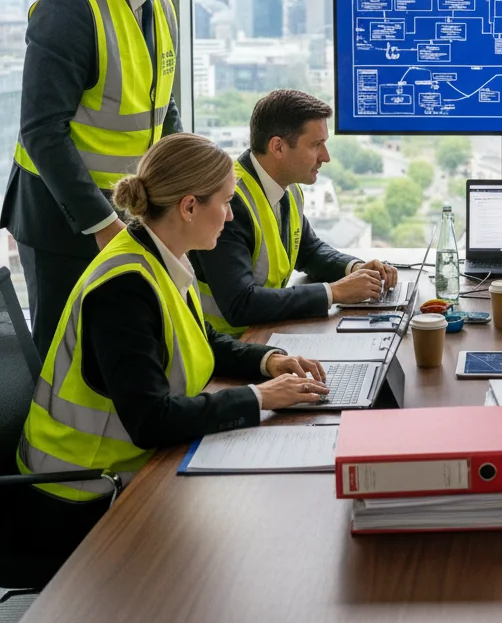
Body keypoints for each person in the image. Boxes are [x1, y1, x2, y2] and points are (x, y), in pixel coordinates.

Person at [15, 132, 329, 566]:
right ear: (188, 206)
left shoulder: (162, 254)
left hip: (132, 470)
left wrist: (267, 361)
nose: (230, 214)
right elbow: (151, 421)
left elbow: (200, 339)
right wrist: (260, 398)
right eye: (226, 201)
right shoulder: (123, 288)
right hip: (83, 497)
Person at [1, 0, 223, 355]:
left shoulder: (161, 6)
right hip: (63, 219)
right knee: (64, 356)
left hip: (127, 209)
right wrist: (101, 223)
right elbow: (42, 130)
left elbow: (161, 110)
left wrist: (196, 180)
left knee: (124, 351)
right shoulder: (71, 8)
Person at [191, 90, 398, 336]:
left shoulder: (288, 189)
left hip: (263, 333)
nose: (326, 157)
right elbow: (240, 304)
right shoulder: (229, 203)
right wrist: (335, 292)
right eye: (316, 145)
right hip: (225, 350)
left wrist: (355, 269)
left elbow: (309, 252)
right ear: (277, 147)